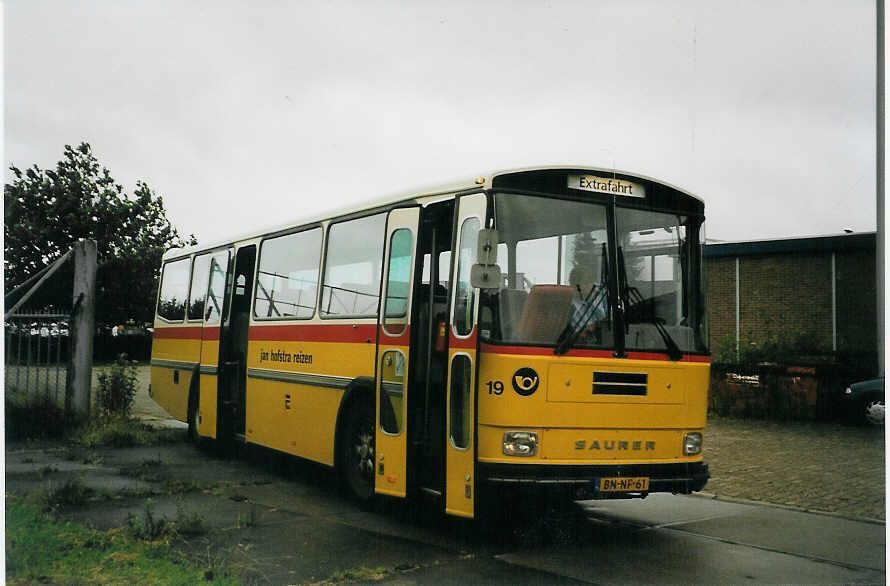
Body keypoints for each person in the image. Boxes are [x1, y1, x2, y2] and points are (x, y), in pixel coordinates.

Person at [567, 264, 607, 342]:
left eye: (590, 282)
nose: (588, 286)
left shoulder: (603, 294)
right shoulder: (568, 305)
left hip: (605, 341)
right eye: (584, 283)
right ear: (573, 285)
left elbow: (612, 318)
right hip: (580, 345)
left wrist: (598, 324)